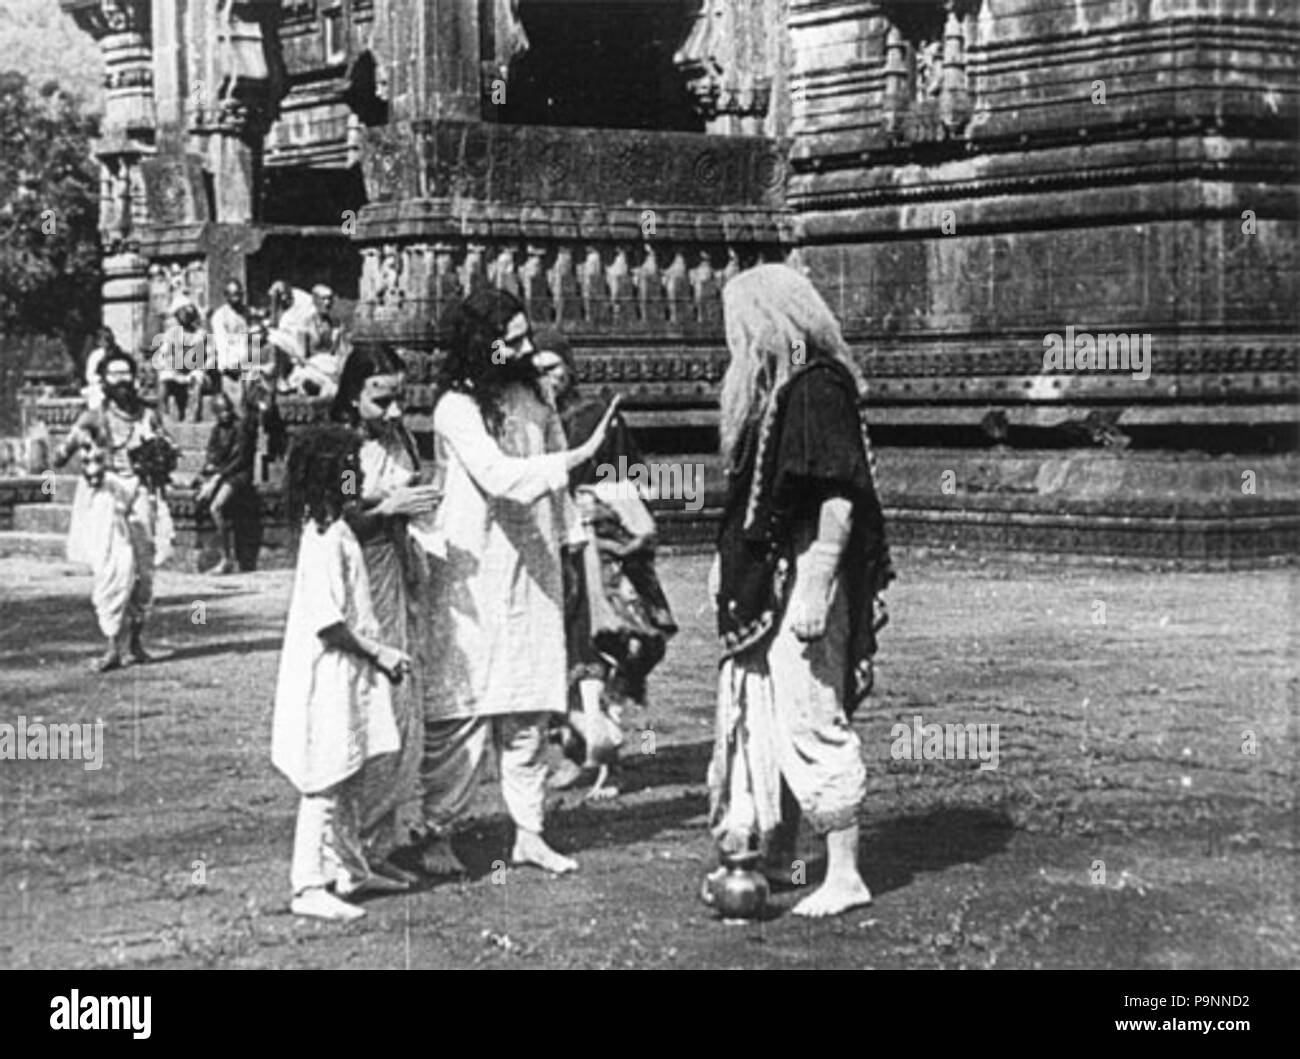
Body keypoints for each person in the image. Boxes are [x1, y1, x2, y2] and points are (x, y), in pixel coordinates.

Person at [412, 290, 622, 877]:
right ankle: (438, 830)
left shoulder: (535, 397)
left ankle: (530, 831)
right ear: (485, 343)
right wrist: (581, 453)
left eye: (529, 336)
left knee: (529, 706)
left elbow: (560, 493)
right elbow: (499, 476)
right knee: (464, 710)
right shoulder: (456, 407)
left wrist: (578, 555)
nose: (528, 348)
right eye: (516, 337)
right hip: (472, 571)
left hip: (534, 567)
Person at [706, 264, 894, 918]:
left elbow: (839, 496)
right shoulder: (779, 387)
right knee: (767, 713)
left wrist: (814, 585)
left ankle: (845, 873)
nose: (737, 337)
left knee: (813, 714)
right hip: (768, 584)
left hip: (801, 579)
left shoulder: (816, 386)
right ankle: (775, 852)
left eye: (742, 322)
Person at [271, 425, 413, 922]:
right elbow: (329, 624)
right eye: (350, 465)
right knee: (326, 779)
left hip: (348, 672)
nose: (359, 473)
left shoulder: (340, 527)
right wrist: (381, 653)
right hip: (332, 671)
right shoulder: (325, 536)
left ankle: (349, 867)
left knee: (350, 770)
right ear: (332, 474)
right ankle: (307, 883)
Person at [534, 330, 677, 800]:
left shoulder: (596, 417)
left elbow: (630, 475)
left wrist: (605, 504)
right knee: (562, 650)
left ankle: (606, 759)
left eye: (553, 367)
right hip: (552, 543)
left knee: (612, 644)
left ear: (570, 368)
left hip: (603, 544)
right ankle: (576, 751)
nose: (547, 378)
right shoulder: (529, 418)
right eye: (537, 369)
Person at [332, 346, 441, 883]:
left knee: (403, 705)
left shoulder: (402, 438)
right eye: (382, 399)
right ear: (354, 395)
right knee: (366, 702)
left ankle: (384, 837)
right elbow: (341, 514)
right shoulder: (345, 448)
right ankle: (350, 846)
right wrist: (386, 507)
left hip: (401, 570)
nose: (394, 411)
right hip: (360, 577)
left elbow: (415, 487)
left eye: (399, 397)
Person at [56, 351, 178, 671]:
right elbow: (61, 454)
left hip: (141, 490)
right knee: (115, 568)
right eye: (115, 375)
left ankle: (136, 642)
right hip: (108, 493)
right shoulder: (94, 416)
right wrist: (82, 446)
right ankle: (112, 645)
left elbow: (169, 447)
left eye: (127, 374)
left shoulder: (147, 414)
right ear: (104, 381)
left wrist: (163, 454)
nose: (123, 381)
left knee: (144, 566)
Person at [194, 393, 256, 574]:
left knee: (216, 507)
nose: (225, 414)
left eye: (227, 410)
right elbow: (211, 452)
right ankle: (203, 552)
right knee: (197, 497)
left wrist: (217, 478)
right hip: (221, 472)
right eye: (221, 412)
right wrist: (209, 468)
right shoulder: (217, 429)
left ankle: (226, 558)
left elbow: (240, 459)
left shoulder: (240, 428)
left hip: (238, 474)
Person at [153, 300, 210, 423]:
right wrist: (168, 364)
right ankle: (164, 414)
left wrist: (203, 367)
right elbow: (162, 354)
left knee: (197, 378)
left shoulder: (201, 334)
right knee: (163, 377)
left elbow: (210, 355)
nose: (184, 317)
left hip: (194, 370)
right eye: (181, 314)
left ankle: (191, 415)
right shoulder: (171, 334)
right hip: (176, 370)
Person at [210, 279, 251, 407]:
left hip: (249, 362)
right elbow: (221, 342)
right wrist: (229, 365)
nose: (237, 298)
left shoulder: (247, 312)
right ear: (226, 296)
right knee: (234, 403)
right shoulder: (220, 315)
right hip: (231, 364)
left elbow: (253, 338)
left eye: (239, 294)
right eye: (233, 295)